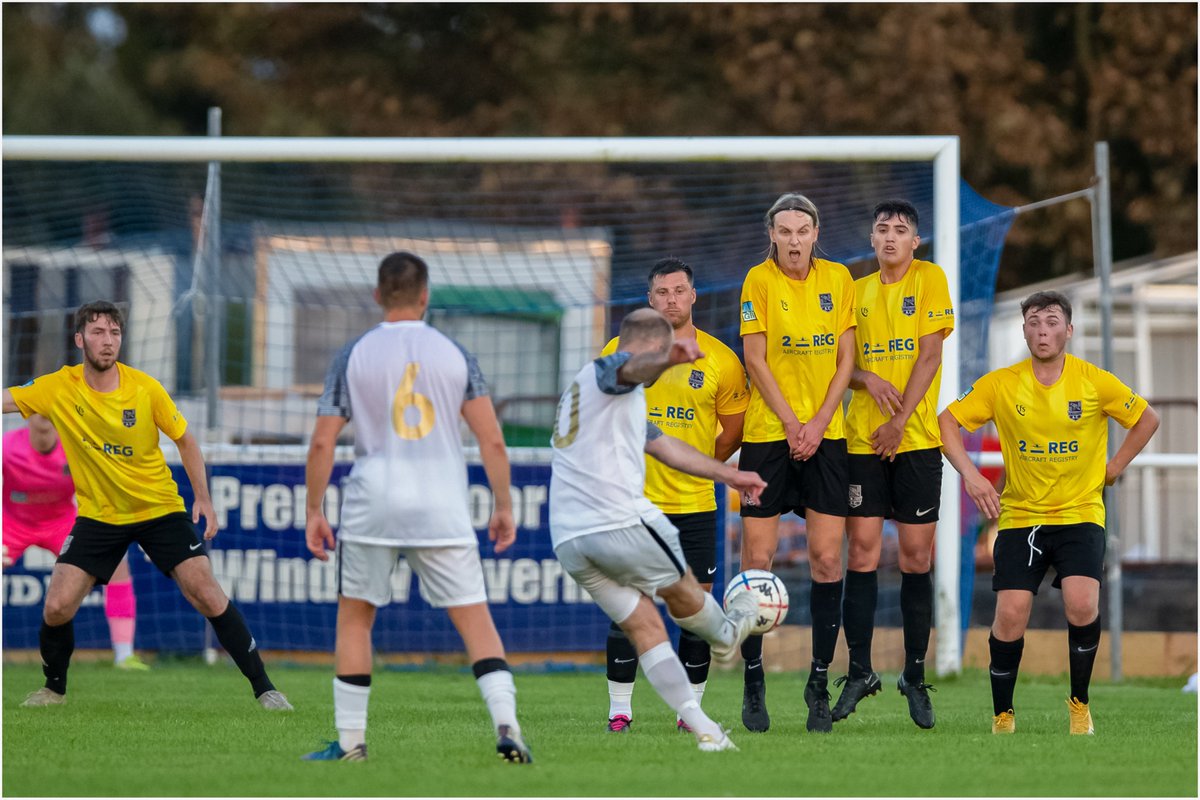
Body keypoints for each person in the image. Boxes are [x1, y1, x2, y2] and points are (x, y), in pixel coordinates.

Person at [2, 300, 291, 710]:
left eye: (115, 333)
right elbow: (6, 400)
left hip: (158, 509)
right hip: (100, 516)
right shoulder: (57, 387)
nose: (108, 341)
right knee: (57, 606)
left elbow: (186, 440)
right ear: (80, 339)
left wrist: (204, 499)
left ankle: (266, 688)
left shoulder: (145, 388)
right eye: (99, 333)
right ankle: (53, 690)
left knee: (206, 594)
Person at [303, 251, 531, 764]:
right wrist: (503, 506)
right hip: (441, 504)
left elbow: (322, 444)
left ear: (378, 295)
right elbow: (492, 441)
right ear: (426, 296)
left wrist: (314, 510)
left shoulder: (353, 353)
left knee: (356, 620)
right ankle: (508, 725)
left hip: (372, 503)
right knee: (475, 621)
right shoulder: (454, 353)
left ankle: (350, 745)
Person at [939, 290, 1159, 735]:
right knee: (1011, 614)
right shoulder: (1000, 384)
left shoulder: (1094, 381)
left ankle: (1079, 705)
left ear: (1069, 330)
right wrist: (971, 475)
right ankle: (1003, 715)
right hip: (1022, 516)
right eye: (1034, 322)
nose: (1043, 330)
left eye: (1052, 321)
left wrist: (1113, 468)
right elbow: (946, 421)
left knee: (1081, 604)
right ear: (1024, 331)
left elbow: (1147, 419)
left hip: (1080, 513)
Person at [550, 308, 767, 753]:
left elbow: (667, 448)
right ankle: (732, 630)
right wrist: (670, 359)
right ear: (652, 347)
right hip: (614, 523)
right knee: (691, 601)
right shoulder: (612, 371)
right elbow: (631, 365)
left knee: (646, 627)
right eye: (663, 353)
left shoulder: (605, 397)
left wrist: (729, 476)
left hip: (569, 539)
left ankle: (705, 731)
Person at [598, 258, 749, 734]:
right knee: (629, 609)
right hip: (636, 503)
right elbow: (600, 415)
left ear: (693, 295)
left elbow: (732, 432)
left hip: (697, 505)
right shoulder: (619, 351)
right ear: (649, 299)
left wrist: (699, 459)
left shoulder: (721, 359)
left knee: (697, 615)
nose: (670, 299)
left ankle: (692, 713)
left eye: (679, 291)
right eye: (661, 292)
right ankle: (619, 711)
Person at [737, 192, 856, 733]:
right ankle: (754, 680)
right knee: (757, 562)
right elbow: (755, 359)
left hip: (827, 438)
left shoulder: (840, 280)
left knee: (828, 561)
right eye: (783, 230)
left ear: (815, 232)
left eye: (801, 230)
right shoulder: (757, 281)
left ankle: (817, 682)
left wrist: (818, 422)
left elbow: (846, 359)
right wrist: (789, 424)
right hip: (768, 436)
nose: (792, 239)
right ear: (772, 235)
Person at [836, 200, 955, 728]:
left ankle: (913, 672)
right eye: (882, 228)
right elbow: (841, 363)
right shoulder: (853, 291)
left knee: (914, 557)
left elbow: (929, 355)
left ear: (915, 243)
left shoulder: (930, 279)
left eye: (900, 230)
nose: (889, 237)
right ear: (871, 238)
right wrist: (867, 380)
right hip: (862, 440)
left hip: (916, 440)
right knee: (860, 554)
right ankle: (859, 670)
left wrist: (900, 419)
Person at [3, 414, 149, 670]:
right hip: (13, 522)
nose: (44, 413)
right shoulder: (7, 446)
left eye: (49, 407)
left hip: (61, 522)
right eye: (37, 407)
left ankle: (124, 655)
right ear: (26, 413)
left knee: (116, 564)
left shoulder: (76, 447)